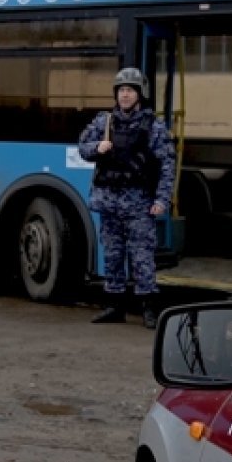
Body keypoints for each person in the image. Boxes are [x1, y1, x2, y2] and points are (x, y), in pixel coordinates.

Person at [78, 67, 176, 328]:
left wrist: (162, 200)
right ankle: (114, 305)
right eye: (121, 90)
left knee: (142, 256)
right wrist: (97, 148)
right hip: (109, 200)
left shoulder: (153, 126)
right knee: (112, 254)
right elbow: (83, 147)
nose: (124, 95)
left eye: (130, 90)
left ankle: (148, 308)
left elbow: (166, 165)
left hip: (139, 201)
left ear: (140, 94)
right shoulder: (104, 122)